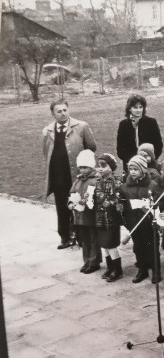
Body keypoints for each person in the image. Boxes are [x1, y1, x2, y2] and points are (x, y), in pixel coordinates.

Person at [42, 100, 97, 249]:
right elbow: (46, 153)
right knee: (62, 207)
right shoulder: (47, 131)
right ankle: (65, 237)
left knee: (79, 205)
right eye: (59, 111)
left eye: (65, 110)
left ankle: (80, 237)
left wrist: (84, 166)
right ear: (53, 113)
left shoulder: (81, 127)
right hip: (58, 177)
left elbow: (91, 147)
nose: (63, 113)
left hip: (76, 176)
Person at [119, 155, 157, 283]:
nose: (133, 171)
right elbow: (123, 204)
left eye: (136, 169)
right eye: (131, 169)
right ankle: (142, 270)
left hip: (149, 222)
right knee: (138, 247)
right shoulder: (125, 187)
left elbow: (159, 202)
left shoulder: (152, 185)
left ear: (143, 170)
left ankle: (156, 271)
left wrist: (150, 205)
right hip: (133, 222)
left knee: (151, 247)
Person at [116, 94, 163, 179]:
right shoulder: (123, 125)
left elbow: (158, 145)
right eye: (135, 107)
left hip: (149, 165)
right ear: (129, 108)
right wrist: (133, 159)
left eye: (140, 107)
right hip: (131, 166)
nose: (138, 110)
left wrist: (150, 157)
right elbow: (120, 149)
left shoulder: (151, 122)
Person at [68, 151, 99, 273]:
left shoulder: (94, 181)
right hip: (79, 215)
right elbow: (71, 193)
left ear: (91, 167)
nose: (82, 170)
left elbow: (96, 197)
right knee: (84, 240)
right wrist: (70, 203)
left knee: (93, 239)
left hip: (90, 215)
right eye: (80, 167)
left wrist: (88, 201)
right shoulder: (78, 181)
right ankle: (86, 261)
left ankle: (94, 261)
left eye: (85, 167)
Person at [93, 153, 123, 282]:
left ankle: (117, 269)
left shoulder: (116, 181)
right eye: (98, 166)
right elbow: (96, 195)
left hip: (111, 217)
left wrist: (106, 201)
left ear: (111, 167)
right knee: (104, 244)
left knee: (111, 244)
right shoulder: (99, 181)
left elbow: (116, 197)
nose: (100, 169)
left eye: (103, 166)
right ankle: (110, 267)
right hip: (100, 216)